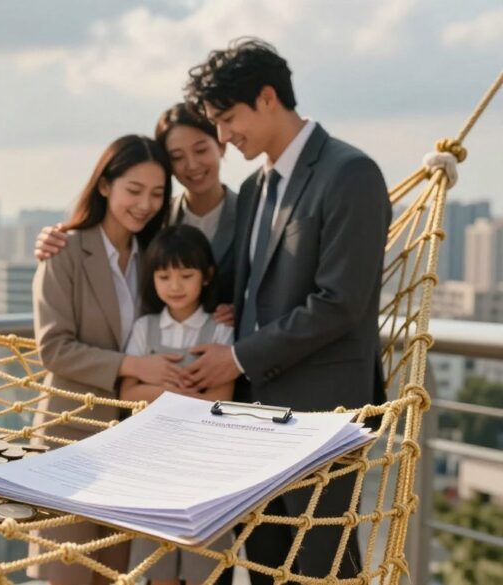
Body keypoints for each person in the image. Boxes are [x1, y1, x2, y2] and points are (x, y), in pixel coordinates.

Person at [181, 38, 390, 583]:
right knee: (267, 569)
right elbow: (237, 289)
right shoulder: (253, 187)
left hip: (322, 418)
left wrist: (238, 359)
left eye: (228, 119)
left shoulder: (350, 172)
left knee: (322, 572)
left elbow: (341, 302)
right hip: (252, 419)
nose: (223, 137)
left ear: (268, 97)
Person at [31, 134, 174, 585]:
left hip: (134, 443)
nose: (145, 204)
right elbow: (53, 347)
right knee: (66, 576)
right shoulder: (66, 249)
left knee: (115, 577)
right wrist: (133, 366)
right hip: (71, 440)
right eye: (135, 190)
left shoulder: (155, 257)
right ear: (106, 186)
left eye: (157, 193)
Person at [120, 224, 235, 585]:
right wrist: (184, 395)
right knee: (158, 568)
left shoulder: (220, 331)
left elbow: (220, 401)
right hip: (152, 465)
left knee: (206, 568)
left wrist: (156, 389)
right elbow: (126, 396)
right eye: (164, 275)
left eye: (186, 275)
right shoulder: (144, 327)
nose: (174, 285)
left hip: (207, 467)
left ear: (206, 277)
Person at [36, 102, 238, 306]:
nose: (192, 165)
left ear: (221, 145)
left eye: (201, 150)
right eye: (177, 157)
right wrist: (54, 239)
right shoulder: (154, 221)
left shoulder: (251, 213)